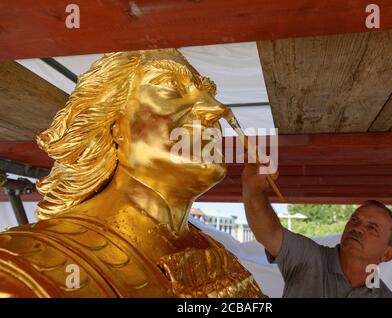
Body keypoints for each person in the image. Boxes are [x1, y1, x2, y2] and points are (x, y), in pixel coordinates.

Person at [0, 49, 264, 298]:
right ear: (115, 126)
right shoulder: (23, 271)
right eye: (171, 87)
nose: (216, 109)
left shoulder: (216, 255)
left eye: (209, 93)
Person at [242, 163, 392, 297]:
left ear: (387, 254)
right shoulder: (309, 258)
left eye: (372, 227)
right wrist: (254, 192)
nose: (357, 228)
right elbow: (269, 233)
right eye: (354, 220)